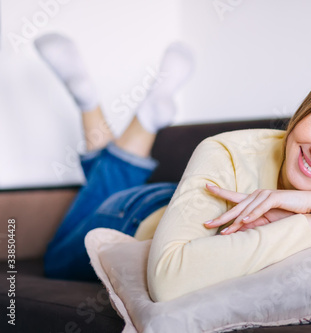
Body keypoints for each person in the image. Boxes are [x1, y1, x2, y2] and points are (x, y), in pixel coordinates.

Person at [35, 34, 311, 301]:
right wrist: (310, 229)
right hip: (137, 213)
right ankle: (97, 108)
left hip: (185, 197)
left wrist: (310, 204)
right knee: (56, 260)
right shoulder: (228, 150)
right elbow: (168, 282)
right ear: (306, 108)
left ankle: (126, 116)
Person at [34, 33, 193, 280]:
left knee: (56, 261)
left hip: (158, 202)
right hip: (153, 212)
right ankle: (112, 111)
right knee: (56, 261)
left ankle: (99, 108)